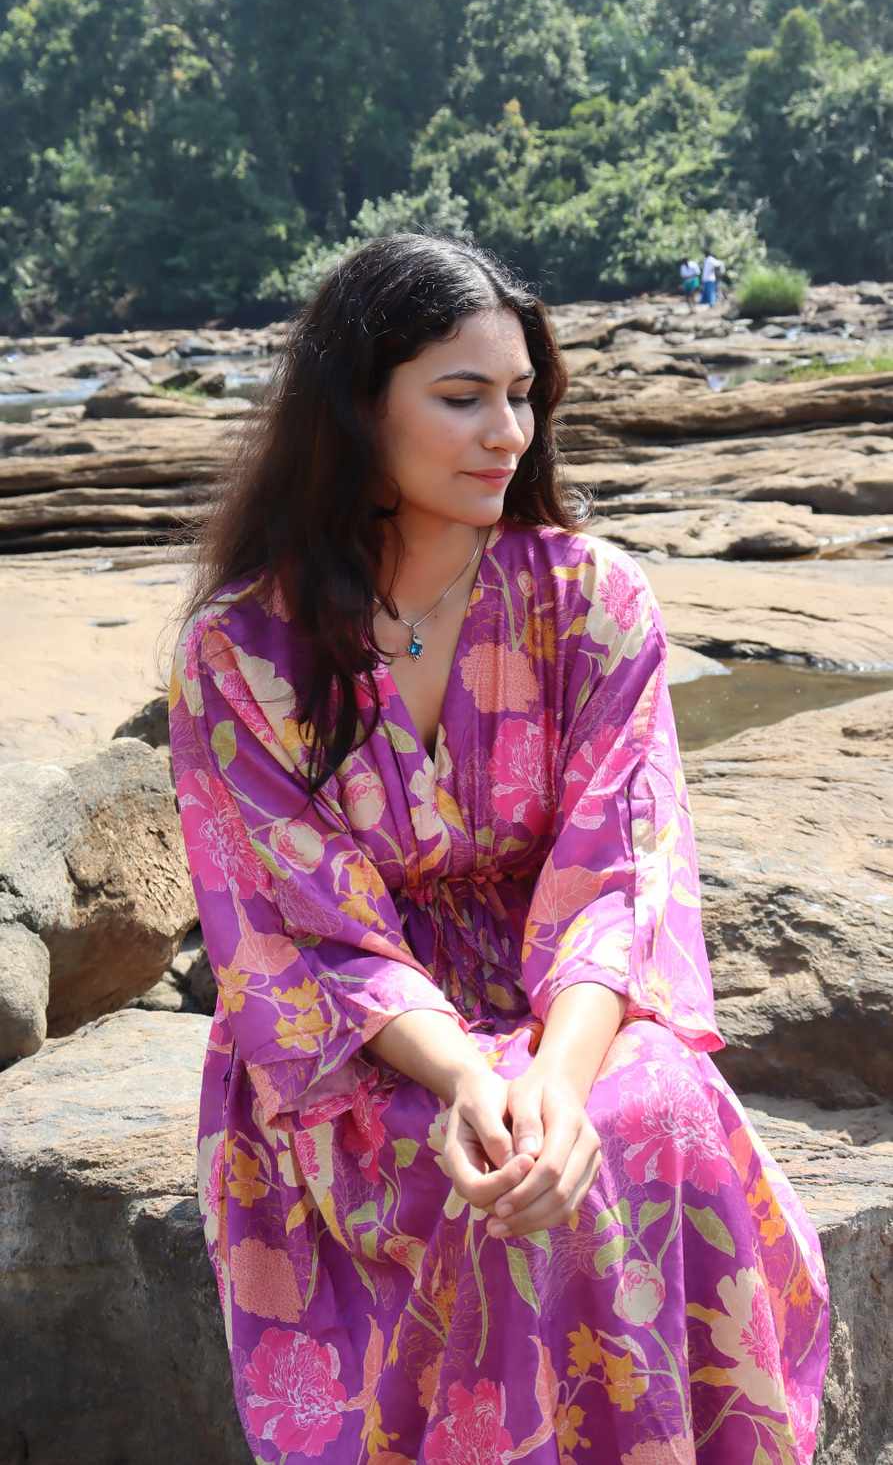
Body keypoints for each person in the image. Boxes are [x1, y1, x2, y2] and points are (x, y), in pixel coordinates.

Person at [168, 233, 828, 1463]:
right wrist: (470, 1079)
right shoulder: (240, 652)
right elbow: (300, 929)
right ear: (356, 412)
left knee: (647, 1118)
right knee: (492, 1184)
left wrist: (556, 1084)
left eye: (522, 396)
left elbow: (616, 868)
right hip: (361, 1045)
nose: (506, 434)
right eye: (461, 397)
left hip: (564, 1005)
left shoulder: (590, 599)